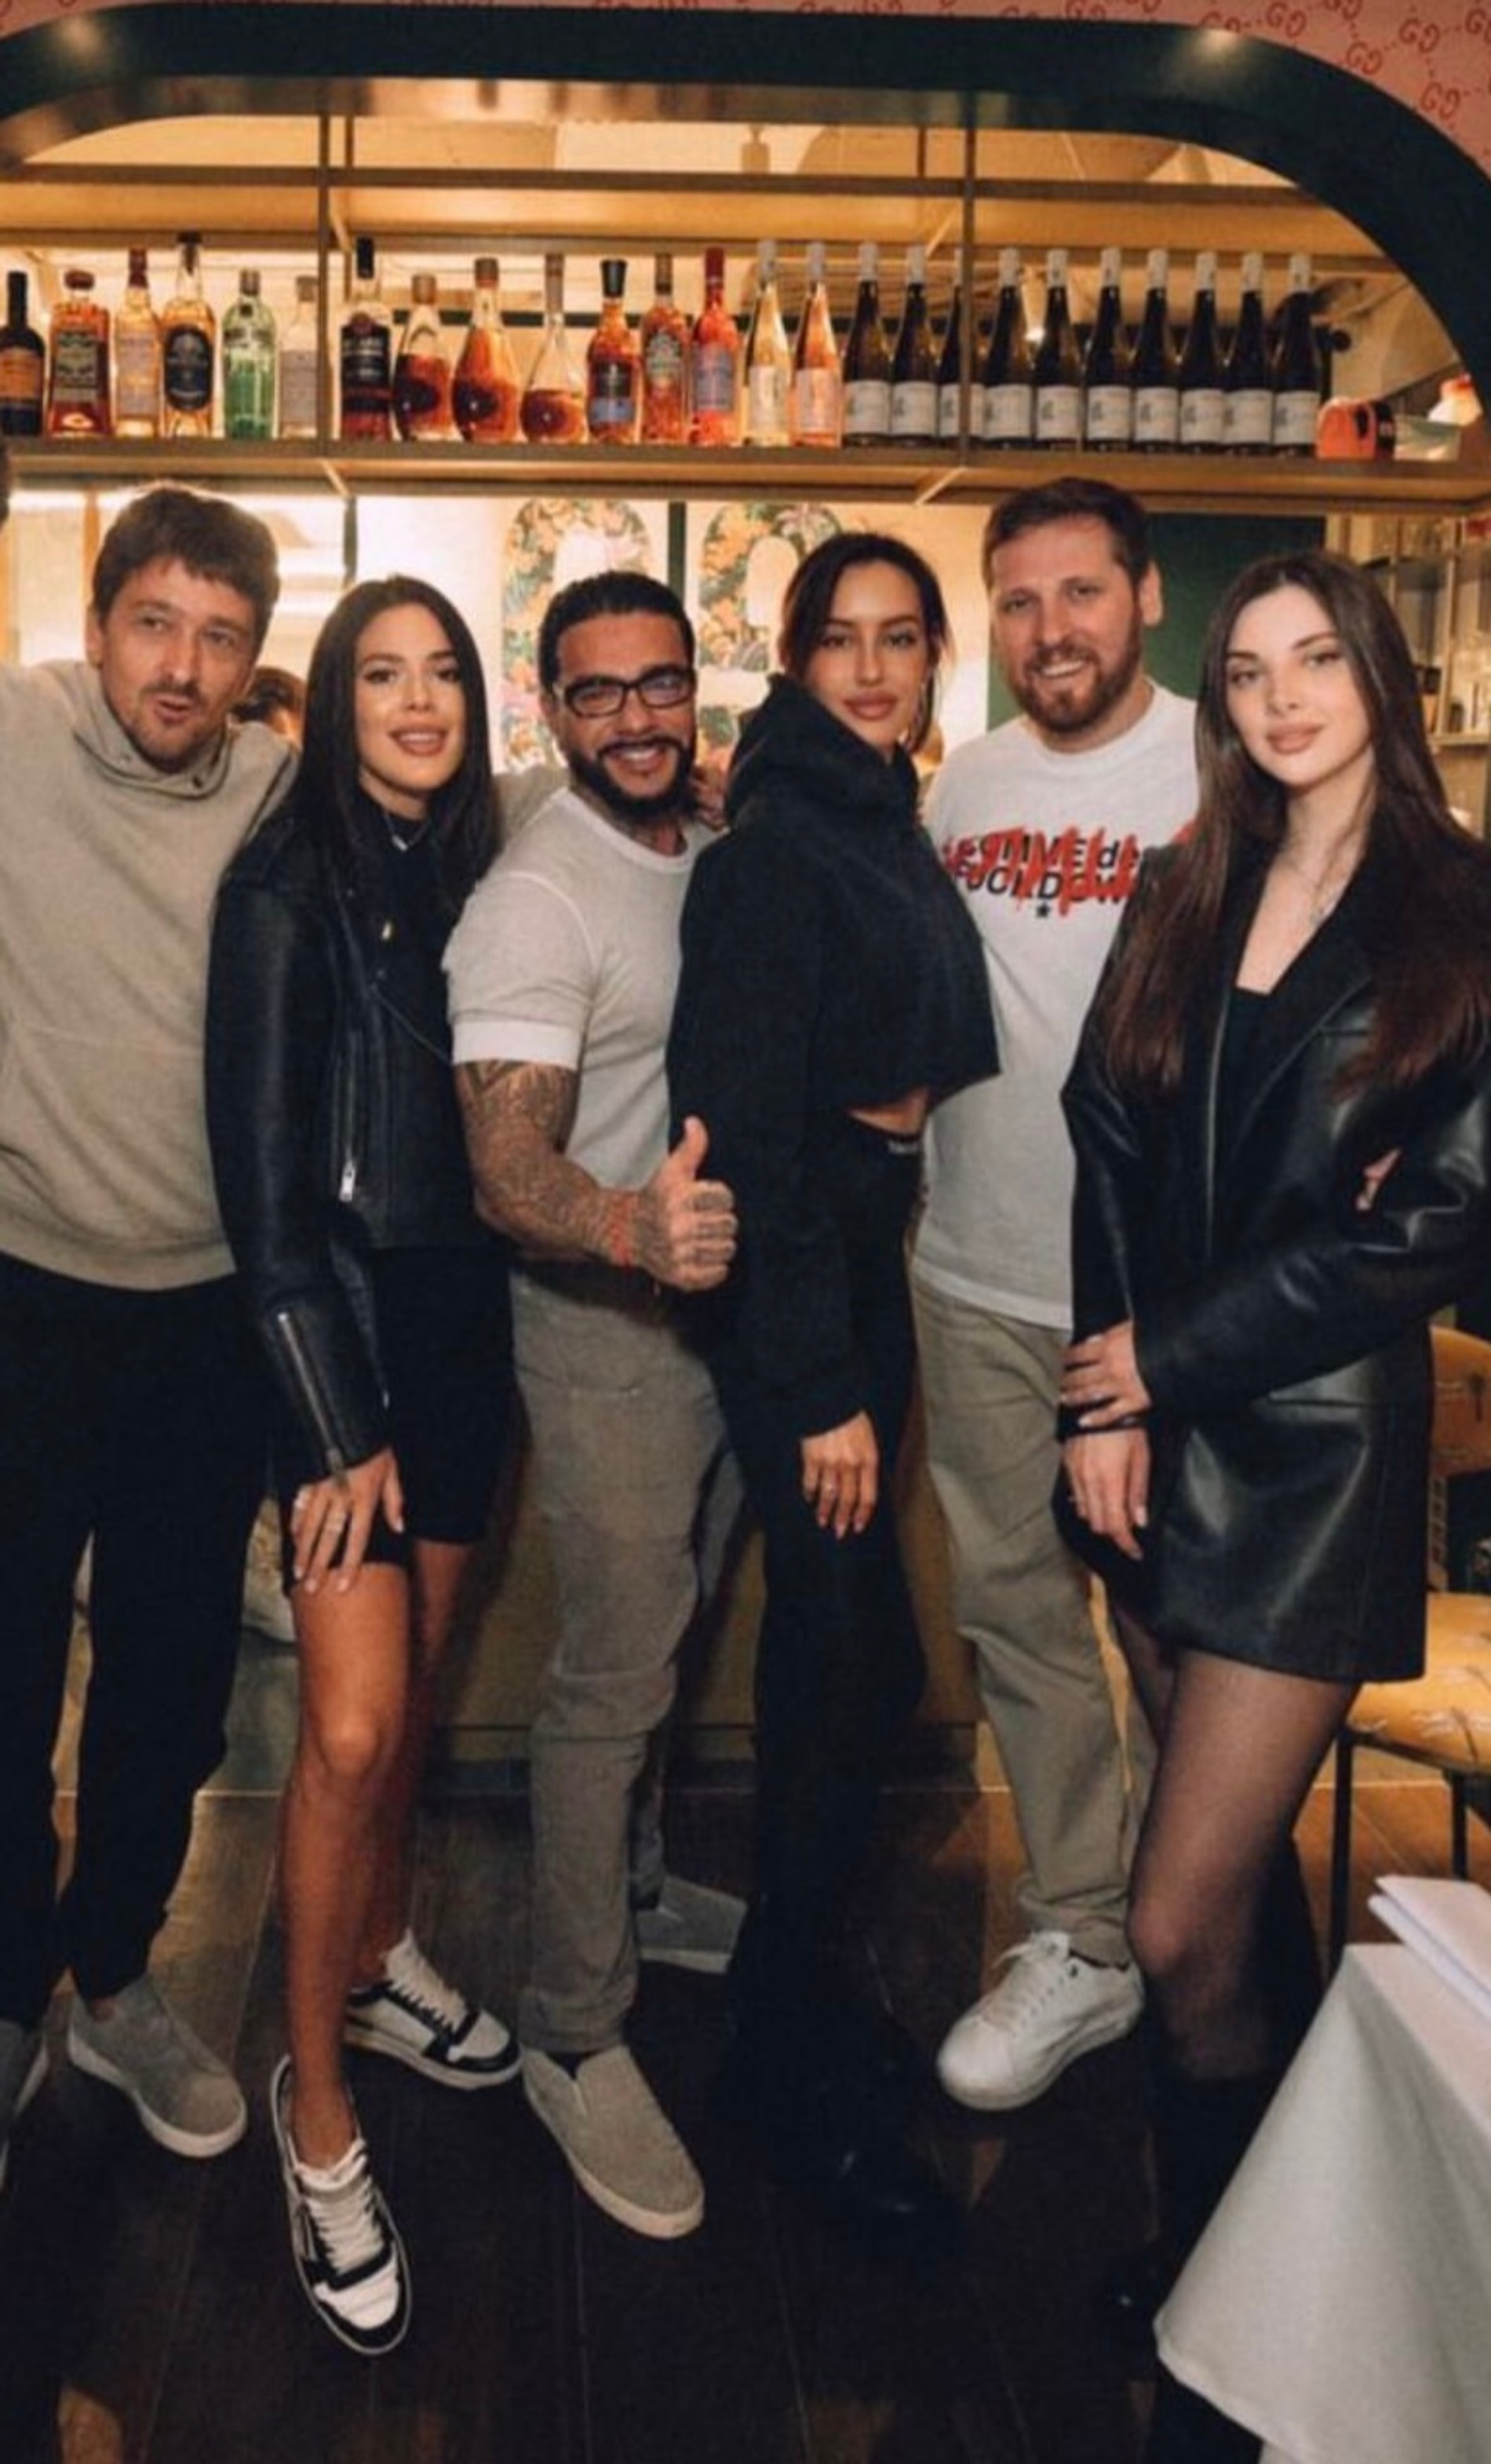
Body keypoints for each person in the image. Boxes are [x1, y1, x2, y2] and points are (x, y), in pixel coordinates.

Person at [1057, 547, 1491, 2462]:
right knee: (1222, 1902)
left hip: (1308, 1451)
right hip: (1146, 1436)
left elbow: (1428, 1229)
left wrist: (1160, 1357)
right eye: (1244, 671)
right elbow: (1101, 1127)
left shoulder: (1460, 912)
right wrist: (1099, 1390)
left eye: (1315, 659)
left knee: (1169, 1921)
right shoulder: (1188, 880)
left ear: (1379, 675)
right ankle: (1258, 2257)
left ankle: (1227, 2302)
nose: (1281, 697)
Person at [667, 533, 998, 2248]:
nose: (872, 668)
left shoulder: (877, 810)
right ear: (793, 660)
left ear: (933, 657)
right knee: (838, 1662)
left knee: (860, 1663)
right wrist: (817, 1391)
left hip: (860, 1263)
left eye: (901, 638)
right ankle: (785, 2070)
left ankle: (782, 2007)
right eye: (841, 641)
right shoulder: (780, 846)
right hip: (805, 1288)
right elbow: (747, 1141)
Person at [206, 578, 516, 2353]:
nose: (416, 701)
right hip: (345, 1342)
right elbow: (264, 1197)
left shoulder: (475, 865)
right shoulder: (284, 884)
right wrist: (333, 1424)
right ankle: (315, 2106)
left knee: (413, 1708)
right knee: (344, 1730)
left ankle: (386, 1959)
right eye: (381, 674)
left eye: (442, 672)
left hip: (467, 1333)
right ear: (332, 701)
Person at [0, 486, 293, 2193]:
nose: (179, 666)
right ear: (98, 621)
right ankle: (3, 1990)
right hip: (22, 1292)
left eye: (219, 638)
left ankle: (113, 1974)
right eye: (154, 624)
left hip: (206, 1316)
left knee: (172, 1688)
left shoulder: (275, 789)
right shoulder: (16, 738)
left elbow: (463, 805)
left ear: (253, 663)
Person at [446, 571, 745, 2243]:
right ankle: (572, 2025)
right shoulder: (533, 896)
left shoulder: (698, 840)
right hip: (605, 1325)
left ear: (695, 688)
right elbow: (504, 1166)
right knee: (613, 1672)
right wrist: (632, 1228)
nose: (635, 718)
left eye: (659, 684)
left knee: (675, 1633)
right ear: (547, 708)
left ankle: (631, 1896)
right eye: (597, 692)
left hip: (716, 1318)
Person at [912, 479, 1196, 2114]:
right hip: (972, 1272)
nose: (1050, 630)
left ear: (1144, 596)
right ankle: (1083, 1931)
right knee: (1016, 1616)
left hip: (1158, 1306)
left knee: (1171, 1628)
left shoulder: (1225, 774)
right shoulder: (966, 782)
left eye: (1080, 592)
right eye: (1017, 602)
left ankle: (1193, 1930)